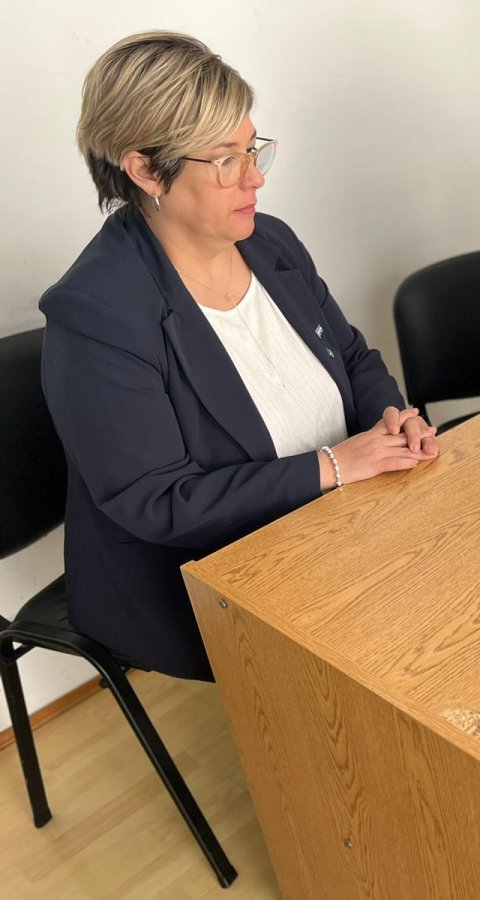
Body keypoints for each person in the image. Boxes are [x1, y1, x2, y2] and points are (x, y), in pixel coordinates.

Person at [40, 32, 438, 682]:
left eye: (252, 148)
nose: (255, 176)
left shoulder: (270, 242)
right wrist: (335, 465)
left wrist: (392, 419)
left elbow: (352, 356)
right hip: (206, 573)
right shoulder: (96, 313)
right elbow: (161, 501)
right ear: (146, 171)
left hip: (342, 521)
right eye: (225, 160)